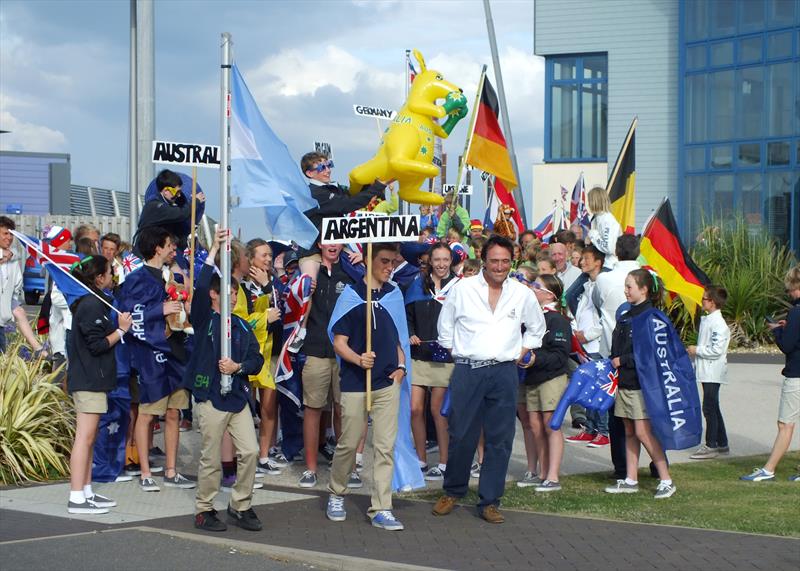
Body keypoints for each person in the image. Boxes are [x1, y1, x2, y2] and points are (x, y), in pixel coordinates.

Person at [432, 235, 546, 524]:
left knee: (500, 438)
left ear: (512, 261)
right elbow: (445, 327)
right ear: (483, 259)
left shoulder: (521, 293)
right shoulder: (463, 289)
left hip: (504, 372)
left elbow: (537, 327)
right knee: (461, 433)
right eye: (494, 260)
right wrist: (459, 352)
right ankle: (453, 491)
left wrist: (525, 349)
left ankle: (490, 501)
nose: (499, 266)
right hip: (468, 370)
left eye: (505, 261)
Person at [187, 230, 265, 532]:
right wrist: (215, 250)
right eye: (226, 293)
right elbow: (201, 285)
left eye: (235, 293)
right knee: (210, 457)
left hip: (237, 398)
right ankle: (204, 509)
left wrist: (238, 366)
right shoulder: (205, 319)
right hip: (211, 396)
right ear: (214, 295)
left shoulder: (242, 326)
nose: (232, 297)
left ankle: (240, 505)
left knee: (250, 451)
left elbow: (256, 360)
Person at [326, 242, 407, 531]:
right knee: (349, 443)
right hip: (355, 382)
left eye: (393, 262)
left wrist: (401, 367)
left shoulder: (393, 294)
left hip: (386, 382)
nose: (390, 267)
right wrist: (358, 360)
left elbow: (400, 337)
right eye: (384, 261)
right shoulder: (351, 295)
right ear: (369, 261)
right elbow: (339, 342)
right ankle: (336, 491)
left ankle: (381, 507)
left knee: (384, 446)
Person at [120, 226, 195, 492]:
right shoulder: (137, 278)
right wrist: (159, 309)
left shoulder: (173, 276)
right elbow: (128, 313)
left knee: (174, 411)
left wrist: (184, 307)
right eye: (170, 246)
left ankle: (172, 470)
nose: (175, 250)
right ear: (157, 248)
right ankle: (145, 472)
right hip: (151, 355)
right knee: (148, 413)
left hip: (176, 352)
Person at [66, 256, 133, 514]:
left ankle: (86, 490)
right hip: (88, 380)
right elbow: (96, 344)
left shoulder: (96, 302)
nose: (113, 276)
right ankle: (76, 496)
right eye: (109, 272)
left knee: (90, 437)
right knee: (84, 437)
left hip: (95, 379)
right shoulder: (91, 304)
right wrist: (122, 330)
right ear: (99, 278)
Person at [605, 269, 676, 499]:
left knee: (644, 432)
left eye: (629, 287)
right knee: (629, 431)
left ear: (644, 289)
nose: (625, 291)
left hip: (640, 385)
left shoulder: (652, 318)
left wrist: (622, 360)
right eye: (625, 286)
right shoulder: (626, 316)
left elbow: (652, 354)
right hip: (623, 383)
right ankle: (630, 478)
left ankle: (666, 479)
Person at [298, 241, 354, 488]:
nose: (333, 246)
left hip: (345, 353)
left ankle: (346, 468)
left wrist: (360, 263)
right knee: (313, 409)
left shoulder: (350, 272)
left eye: (338, 241)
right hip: (316, 350)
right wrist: (304, 285)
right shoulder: (310, 271)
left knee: (344, 411)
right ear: (320, 244)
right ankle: (310, 469)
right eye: (328, 240)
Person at [741, 265, 800, 482]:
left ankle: (769, 468)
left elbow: (786, 344)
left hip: (796, 375)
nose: (789, 294)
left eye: (790, 290)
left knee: (785, 424)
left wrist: (776, 330)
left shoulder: (796, 311)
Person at [406, 242, 460, 481]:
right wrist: (409, 332)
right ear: (430, 261)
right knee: (415, 408)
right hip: (419, 356)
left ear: (451, 261)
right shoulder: (417, 284)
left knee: (437, 410)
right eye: (436, 260)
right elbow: (407, 315)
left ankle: (445, 462)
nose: (441, 264)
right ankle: (420, 459)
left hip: (444, 358)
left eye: (445, 260)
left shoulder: (459, 287)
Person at [522, 274, 571, 492]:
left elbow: (561, 355)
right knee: (534, 426)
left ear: (549, 294)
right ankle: (540, 472)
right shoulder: (532, 316)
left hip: (551, 377)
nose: (531, 288)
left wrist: (535, 359)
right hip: (531, 377)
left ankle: (552, 476)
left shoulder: (557, 319)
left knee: (551, 425)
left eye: (536, 286)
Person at [566, 245, 610, 447]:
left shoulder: (603, 286)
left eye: (586, 259)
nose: (581, 262)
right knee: (588, 389)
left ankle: (603, 431)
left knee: (598, 389)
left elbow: (606, 319)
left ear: (598, 262)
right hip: (584, 345)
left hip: (596, 345)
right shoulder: (587, 285)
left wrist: (588, 335)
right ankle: (590, 429)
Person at [687, 286, 731, 460]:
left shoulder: (718, 324)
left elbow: (716, 349)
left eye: (704, 299)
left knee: (709, 407)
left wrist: (696, 350)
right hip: (707, 370)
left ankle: (711, 445)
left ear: (712, 302)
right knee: (714, 406)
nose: (702, 301)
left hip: (713, 370)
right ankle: (722, 442)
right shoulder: (709, 320)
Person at [0, 217, 48, 356]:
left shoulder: (13, 260)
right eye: (5, 233)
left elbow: (14, 295)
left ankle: (39, 350)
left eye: (11, 234)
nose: (9, 238)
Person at [135, 169, 206, 256]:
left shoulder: (166, 205)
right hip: (144, 255)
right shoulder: (155, 206)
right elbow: (181, 214)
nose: (179, 195)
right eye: (177, 192)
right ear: (166, 191)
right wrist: (195, 201)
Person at [586, 186, 621, 269]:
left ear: (595, 201)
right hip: (599, 263)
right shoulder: (597, 218)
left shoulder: (607, 220)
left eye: (589, 201)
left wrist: (592, 235)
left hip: (610, 265)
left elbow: (608, 247)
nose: (588, 204)